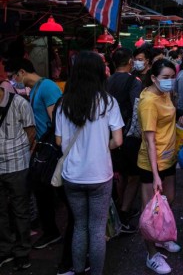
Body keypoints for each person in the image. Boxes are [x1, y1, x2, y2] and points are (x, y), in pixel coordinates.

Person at [55, 51, 124, 275]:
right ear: (98, 73)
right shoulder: (108, 102)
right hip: (99, 174)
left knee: (79, 226)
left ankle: (77, 270)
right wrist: (102, 147)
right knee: (96, 230)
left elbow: (59, 141)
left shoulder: (64, 102)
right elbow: (118, 140)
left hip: (71, 176)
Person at [5, 58, 63, 250]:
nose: (13, 81)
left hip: (49, 150)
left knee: (48, 191)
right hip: (41, 148)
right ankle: (50, 229)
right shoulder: (38, 87)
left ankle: (54, 231)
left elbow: (56, 121)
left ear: (21, 72)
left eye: (13, 76)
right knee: (42, 192)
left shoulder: (47, 87)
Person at [137, 59, 180, 274]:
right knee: (150, 213)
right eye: (165, 77)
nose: (170, 81)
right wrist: (155, 175)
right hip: (151, 163)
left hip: (168, 159)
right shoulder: (148, 102)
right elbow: (149, 140)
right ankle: (151, 254)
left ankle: (161, 239)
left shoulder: (165, 94)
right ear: (154, 78)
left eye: (172, 77)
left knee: (168, 199)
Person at [105, 47, 143, 232]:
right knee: (134, 176)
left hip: (110, 134)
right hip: (128, 133)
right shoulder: (133, 81)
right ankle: (124, 212)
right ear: (129, 61)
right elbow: (137, 108)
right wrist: (136, 134)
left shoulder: (107, 80)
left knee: (119, 173)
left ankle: (121, 206)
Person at [0, 82, 35, 270]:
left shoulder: (19, 103)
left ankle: (22, 252)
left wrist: (20, 154)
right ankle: (5, 250)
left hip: (17, 165)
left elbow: (31, 132)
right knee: (1, 212)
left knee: (20, 209)